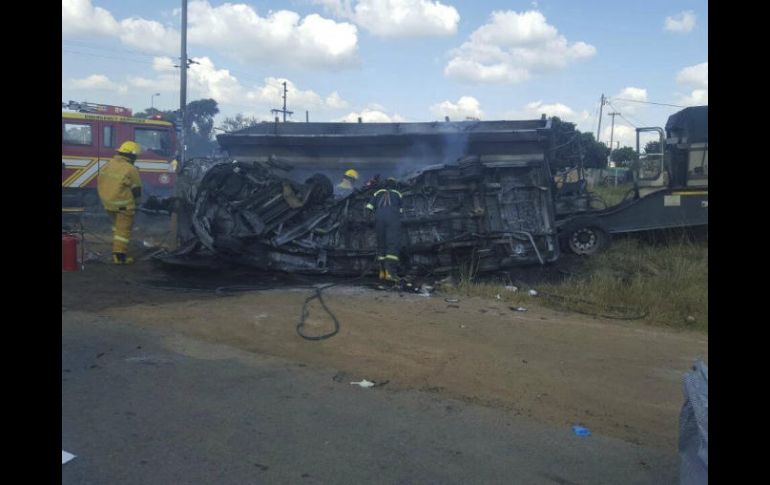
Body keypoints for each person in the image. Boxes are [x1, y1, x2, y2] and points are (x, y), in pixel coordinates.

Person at [97, 140, 143, 265]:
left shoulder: (109, 164)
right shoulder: (131, 169)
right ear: (132, 156)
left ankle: (116, 248)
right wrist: (138, 204)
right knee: (123, 231)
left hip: (108, 204)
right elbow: (137, 190)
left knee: (117, 228)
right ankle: (119, 257)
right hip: (123, 206)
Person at [366, 177, 403, 282]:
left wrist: (368, 220)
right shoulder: (398, 194)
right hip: (392, 220)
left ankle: (382, 272)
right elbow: (401, 211)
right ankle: (390, 273)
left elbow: (369, 207)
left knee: (381, 245)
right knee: (392, 245)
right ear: (394, 185)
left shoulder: (377, 193)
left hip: (379, 220)